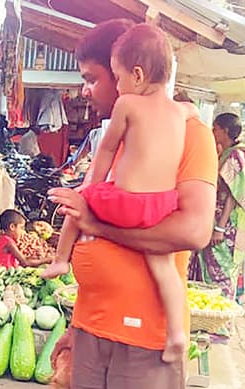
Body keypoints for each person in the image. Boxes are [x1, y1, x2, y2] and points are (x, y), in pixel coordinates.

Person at [47, 19, 218, 389]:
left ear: (132, 76)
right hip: (95, 335)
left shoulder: (189, 132)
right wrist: (77, 323)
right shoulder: (117, 134)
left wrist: (99, 225)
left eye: (96, 79)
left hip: (149, 345)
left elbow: (193, 230)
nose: (92, 92)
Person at [44, 24, 191, 362]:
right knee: (163, 267)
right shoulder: (179, 115)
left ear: (132, 75)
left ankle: (59, 260)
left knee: (75, 203)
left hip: (140, 343)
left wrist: (91, 197)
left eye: (97, 78)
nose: (85, 91)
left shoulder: (131, 108)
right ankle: (178, 335)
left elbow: (106, 152)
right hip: (160, 207)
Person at [189, 113, 245, 301]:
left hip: (225, 224)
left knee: (220, 276)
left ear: (225, 131)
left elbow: (233, 195)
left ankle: (221, 321)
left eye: (215, 128)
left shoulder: (236, 155)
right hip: (215, 219)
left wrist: (220, 227)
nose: (212, 132)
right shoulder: (225, 153)